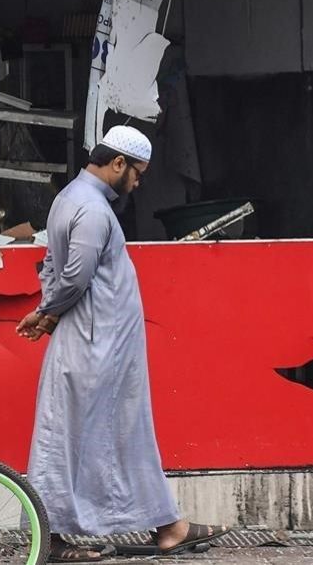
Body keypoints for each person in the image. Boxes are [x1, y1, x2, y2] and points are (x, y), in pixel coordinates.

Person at [16, 125, 230, 562]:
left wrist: (48, 310)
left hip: (91, 338)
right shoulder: (93, 210)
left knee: (88, 435)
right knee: (102, 434)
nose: (138, 182)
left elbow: (53, 268)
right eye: (137, 173)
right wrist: (46, 311)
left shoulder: (68, 199)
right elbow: (75, 276)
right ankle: (72, 536)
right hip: (100, 343)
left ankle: (164, 525)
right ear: (117, 163)